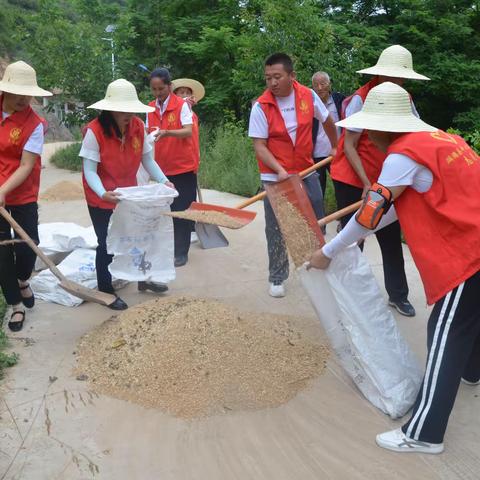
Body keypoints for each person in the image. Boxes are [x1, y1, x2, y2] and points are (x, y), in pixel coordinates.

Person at [308, 81, 480, 454]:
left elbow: (369, 216)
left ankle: (424, 433)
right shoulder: (445, 141)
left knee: (446, 331)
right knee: (469, 318)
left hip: (471, 253)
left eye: (370, 130)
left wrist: (331, 250)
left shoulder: (402, 156)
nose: (368, 137)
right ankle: (473, 371)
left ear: (382, 128)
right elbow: (388, 211)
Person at [330, 45, 429, 317]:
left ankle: (398, 295)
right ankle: (346, 290)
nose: (398, 82)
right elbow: (349, 144)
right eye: (393, 76)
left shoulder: (404, 98)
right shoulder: (361, 98)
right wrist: (365, 182)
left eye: (401, 78)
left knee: (388, 235)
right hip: (353, 177)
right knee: (353, 236)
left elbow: (414, 134)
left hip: (387, 177)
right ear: (380, 73)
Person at [249, 53, 338, 298]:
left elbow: (328, 120)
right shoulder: (261, 106)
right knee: (276, 227)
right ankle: (277, 277)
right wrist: (278, 170)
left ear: (292, 76)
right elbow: (259, 145)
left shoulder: (307, 96)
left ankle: (318, 268)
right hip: (274, 177)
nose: (272, 82)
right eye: (268, 78)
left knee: (316, 221)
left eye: (277, 77)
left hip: (305, 171)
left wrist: (334, 145)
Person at [80, 79, 173, 310]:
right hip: (102, 197)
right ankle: (106, 289)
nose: (128, 114)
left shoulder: (138, 127)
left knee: (138, 236)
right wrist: (103, 193)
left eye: (131, 109)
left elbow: (147, 159)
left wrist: (164, 180)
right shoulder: (95, 131)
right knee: (107, 243)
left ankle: (143, 278)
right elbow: (89, 170)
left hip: (130, 195)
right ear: (110, 109)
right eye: (123, 110)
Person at [0, 61, 51, 332]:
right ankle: (15, 305)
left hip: (22, 191)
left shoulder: (35, 124)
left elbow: (26, 165)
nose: (23, 99)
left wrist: (3, 191)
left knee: (29, 243)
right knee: (1, 250)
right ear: (6, 90)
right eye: (17, 92)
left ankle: (22, 279)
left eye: (27, 93)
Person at [147, 68, 196, 267]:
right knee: (163, 211)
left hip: (182, 166)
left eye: (161, 88)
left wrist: (167, 133)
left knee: (182, 211)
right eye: (154, 89)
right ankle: (168, 248)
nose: (158, 93)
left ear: (170, 86)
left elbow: (188, 131)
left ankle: (181, 252)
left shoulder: (181, 105)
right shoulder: (150, 108)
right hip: (160, 168)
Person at [311, 71, 345, 197]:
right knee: (317, 191)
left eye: (323, 84)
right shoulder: (310, 104)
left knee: (341, 187)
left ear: (329, 84)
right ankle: (319, 216)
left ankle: (343, 215)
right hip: (316, 155)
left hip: (337, 153)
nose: (319, 88)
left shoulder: (340, 101)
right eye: (316, 85)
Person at [171, 78, 205, 174]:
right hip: (179, 159)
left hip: (192, 157)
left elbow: (195, 137)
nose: (185, 95)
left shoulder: (193, 114)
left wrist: (197, 156)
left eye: (188, 93)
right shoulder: (173, 112)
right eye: (182, 92)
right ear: (175, 95)